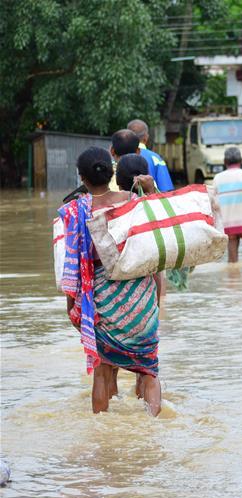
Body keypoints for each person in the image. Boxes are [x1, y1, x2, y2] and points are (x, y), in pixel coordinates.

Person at [58, 147, 163, 416]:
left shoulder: (75, 211)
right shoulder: (135, 202)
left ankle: (101, 436)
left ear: (82, 177)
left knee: (102, 371)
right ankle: (156, 429)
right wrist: (151, 190)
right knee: (149, 371)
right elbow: (163, 224)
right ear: (111, 171)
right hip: (142, 300)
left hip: (102, 304)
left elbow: (71, 264)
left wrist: (72, 305)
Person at [212, 147, 242, 263]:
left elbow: (213, 204)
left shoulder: (217, 178)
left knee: (232, 262)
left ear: (225, 162)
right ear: (241, 161)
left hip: (228, 225)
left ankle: (232, 281)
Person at [127, 119, 175, 192]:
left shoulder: (119, 156)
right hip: (148, 202)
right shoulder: (156, 159)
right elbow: (166, 190)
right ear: (146, 137)